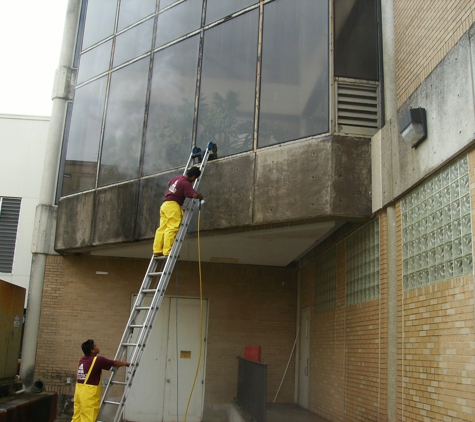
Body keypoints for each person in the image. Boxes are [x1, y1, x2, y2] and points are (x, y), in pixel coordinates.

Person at [72, 339, 130, 422]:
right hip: (88, 395)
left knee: (77, 418)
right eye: (95, 346)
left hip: (78, 393)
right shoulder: (97, 360)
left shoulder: (82, 360)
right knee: (88, 419)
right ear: (92, 350)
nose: (97, 346)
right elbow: (115, 363)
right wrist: (126, 363)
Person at [153, 166, 204, 257]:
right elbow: (194, 195)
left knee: (162, 228)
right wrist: (200, 196)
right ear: (193, 177)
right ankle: (167, 251)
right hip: (173, 205)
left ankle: (157, 250)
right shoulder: (186, 183)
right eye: (194, 179)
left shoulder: (177, 178)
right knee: (172, 228)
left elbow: (169, 183)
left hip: (165, 205)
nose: (193, 180)